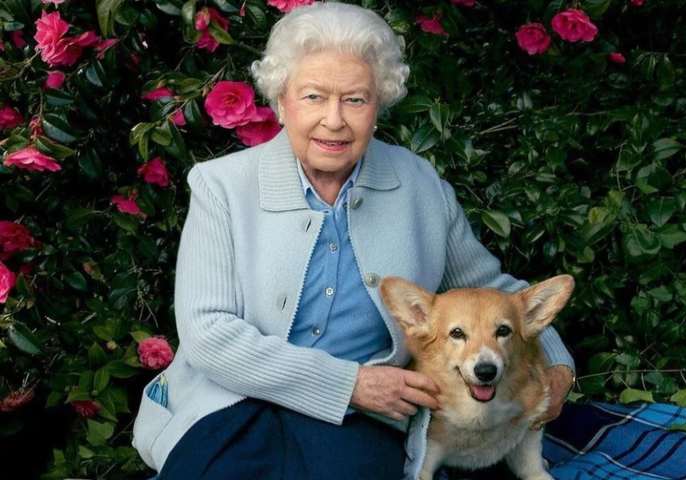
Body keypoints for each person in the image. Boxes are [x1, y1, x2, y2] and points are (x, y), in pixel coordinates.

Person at [132, 3, 575, 479]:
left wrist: (557, 364)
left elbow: (492, 290)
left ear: (378, 106)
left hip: (359, 419)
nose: (334, 120)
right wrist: (350, 383)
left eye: (355, 99)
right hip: (233, 401)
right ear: (281, 101)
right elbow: (208, 334)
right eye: (314, 97)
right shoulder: (221, 186)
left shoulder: (418, 183)